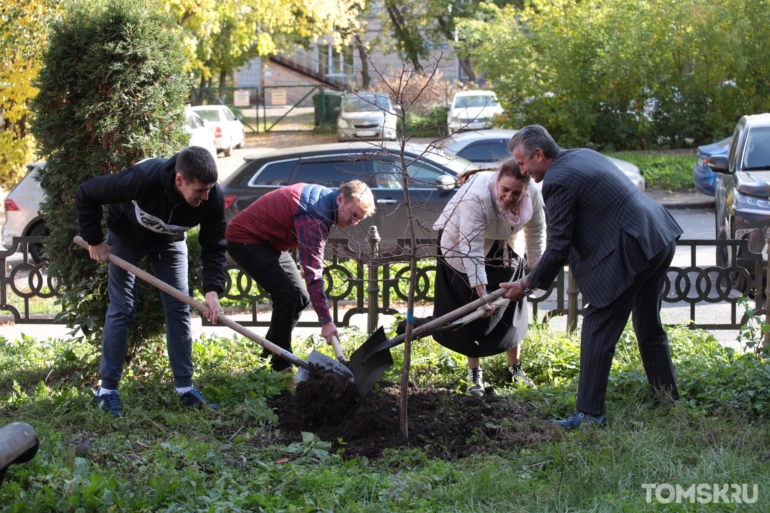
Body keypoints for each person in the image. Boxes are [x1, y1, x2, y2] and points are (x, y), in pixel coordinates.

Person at [500, 125, 682, 428]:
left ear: (539, 155)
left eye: (522, 163)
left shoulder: (556, 181)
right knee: (648, 323)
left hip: (635, 247)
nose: (522, 171)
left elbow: (559, 246)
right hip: (657, 234)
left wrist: (528, 284)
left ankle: (590, 415)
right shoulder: (579, 155)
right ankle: (666, 397)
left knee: (597, 326)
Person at [76, 146, 227, 417]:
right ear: (180, 180)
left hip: (169, 242)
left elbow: (214, 245)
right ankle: (106, 391)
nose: (206, 197)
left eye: (209, 190)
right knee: (122, 309)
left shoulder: (212, 197)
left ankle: (184, 388)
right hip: (126, 237)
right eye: (199, 191)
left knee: (179, 307)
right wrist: (95, 241)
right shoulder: (142, 178)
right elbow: (87, 192)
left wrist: (212, 290)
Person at [225, 180, 375, 372]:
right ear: (340, 199)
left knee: (300, 297)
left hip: (272, 243)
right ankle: (280, 366)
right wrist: (326, 321)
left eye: (358, 219)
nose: (353, 222)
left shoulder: (325, 203)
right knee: (286, 295)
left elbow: (308, 256)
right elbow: (313, 272)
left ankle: (268, 356)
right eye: (353, 215)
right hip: (246, 239)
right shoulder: (315, 214)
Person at [432, 159, 545, 396]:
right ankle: (475, 374)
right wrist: (481, 293)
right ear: (496, 182)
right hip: (463, 243)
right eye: (504, 190)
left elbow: (535, 232)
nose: (509, 196)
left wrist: (536, 272)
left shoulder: (532, 193)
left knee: (511, 303)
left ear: (525, 190)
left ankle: (515, 368)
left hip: (505, 242)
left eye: (516, 192)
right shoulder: (476, 195)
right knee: (474, 310)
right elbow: (470, 247)